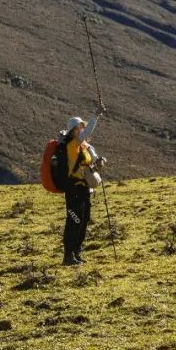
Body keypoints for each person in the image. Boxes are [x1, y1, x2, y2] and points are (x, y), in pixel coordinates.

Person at [62, 104, 104, 265]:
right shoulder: (72, 144)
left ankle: (76, 252)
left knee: (84, 220)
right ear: (73, 131)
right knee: (74, 221)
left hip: (84, 188)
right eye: (79, 128)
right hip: (73, 188)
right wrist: (96, 114)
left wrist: (96, 164)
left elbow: (87, 164)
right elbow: (88, 132)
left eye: (82, 127)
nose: (81, 130)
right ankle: (68, 255)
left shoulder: (82, 146)